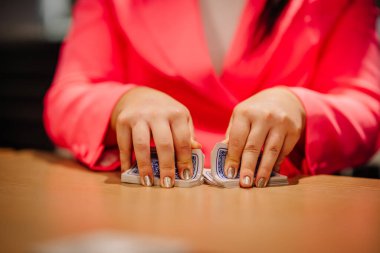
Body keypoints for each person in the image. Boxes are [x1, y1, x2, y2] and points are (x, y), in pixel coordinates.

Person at [43, 0, 380, 188]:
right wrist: (121, 104)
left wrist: (301, 108)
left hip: (282, 214)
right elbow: (67, 96)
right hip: (142, 204)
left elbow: (366, 108)